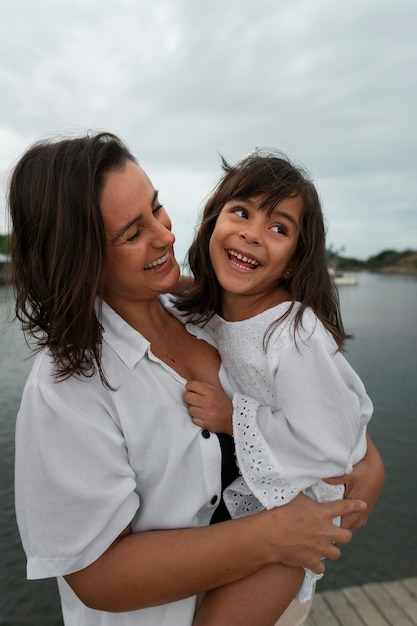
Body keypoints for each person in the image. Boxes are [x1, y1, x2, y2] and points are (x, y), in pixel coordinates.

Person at [9, 133, 384, 626]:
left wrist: (372, 470)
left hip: (283, 602)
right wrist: (273, 536)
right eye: (132, 232)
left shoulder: (210, 311)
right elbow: (94, 577)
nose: (165, 236)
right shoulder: (65, 390)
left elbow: (331, 424)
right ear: (80, 258)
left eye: (157, 207)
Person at [176, 150, 376, 624]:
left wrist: (233, 418)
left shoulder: (293, 334)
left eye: (279, 228)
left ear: (294, 261)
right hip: (253, 503)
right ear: (212, 223)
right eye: (241, 212)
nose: (252, 233)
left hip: (300, 515)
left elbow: (333, 446)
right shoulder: (214, 308)